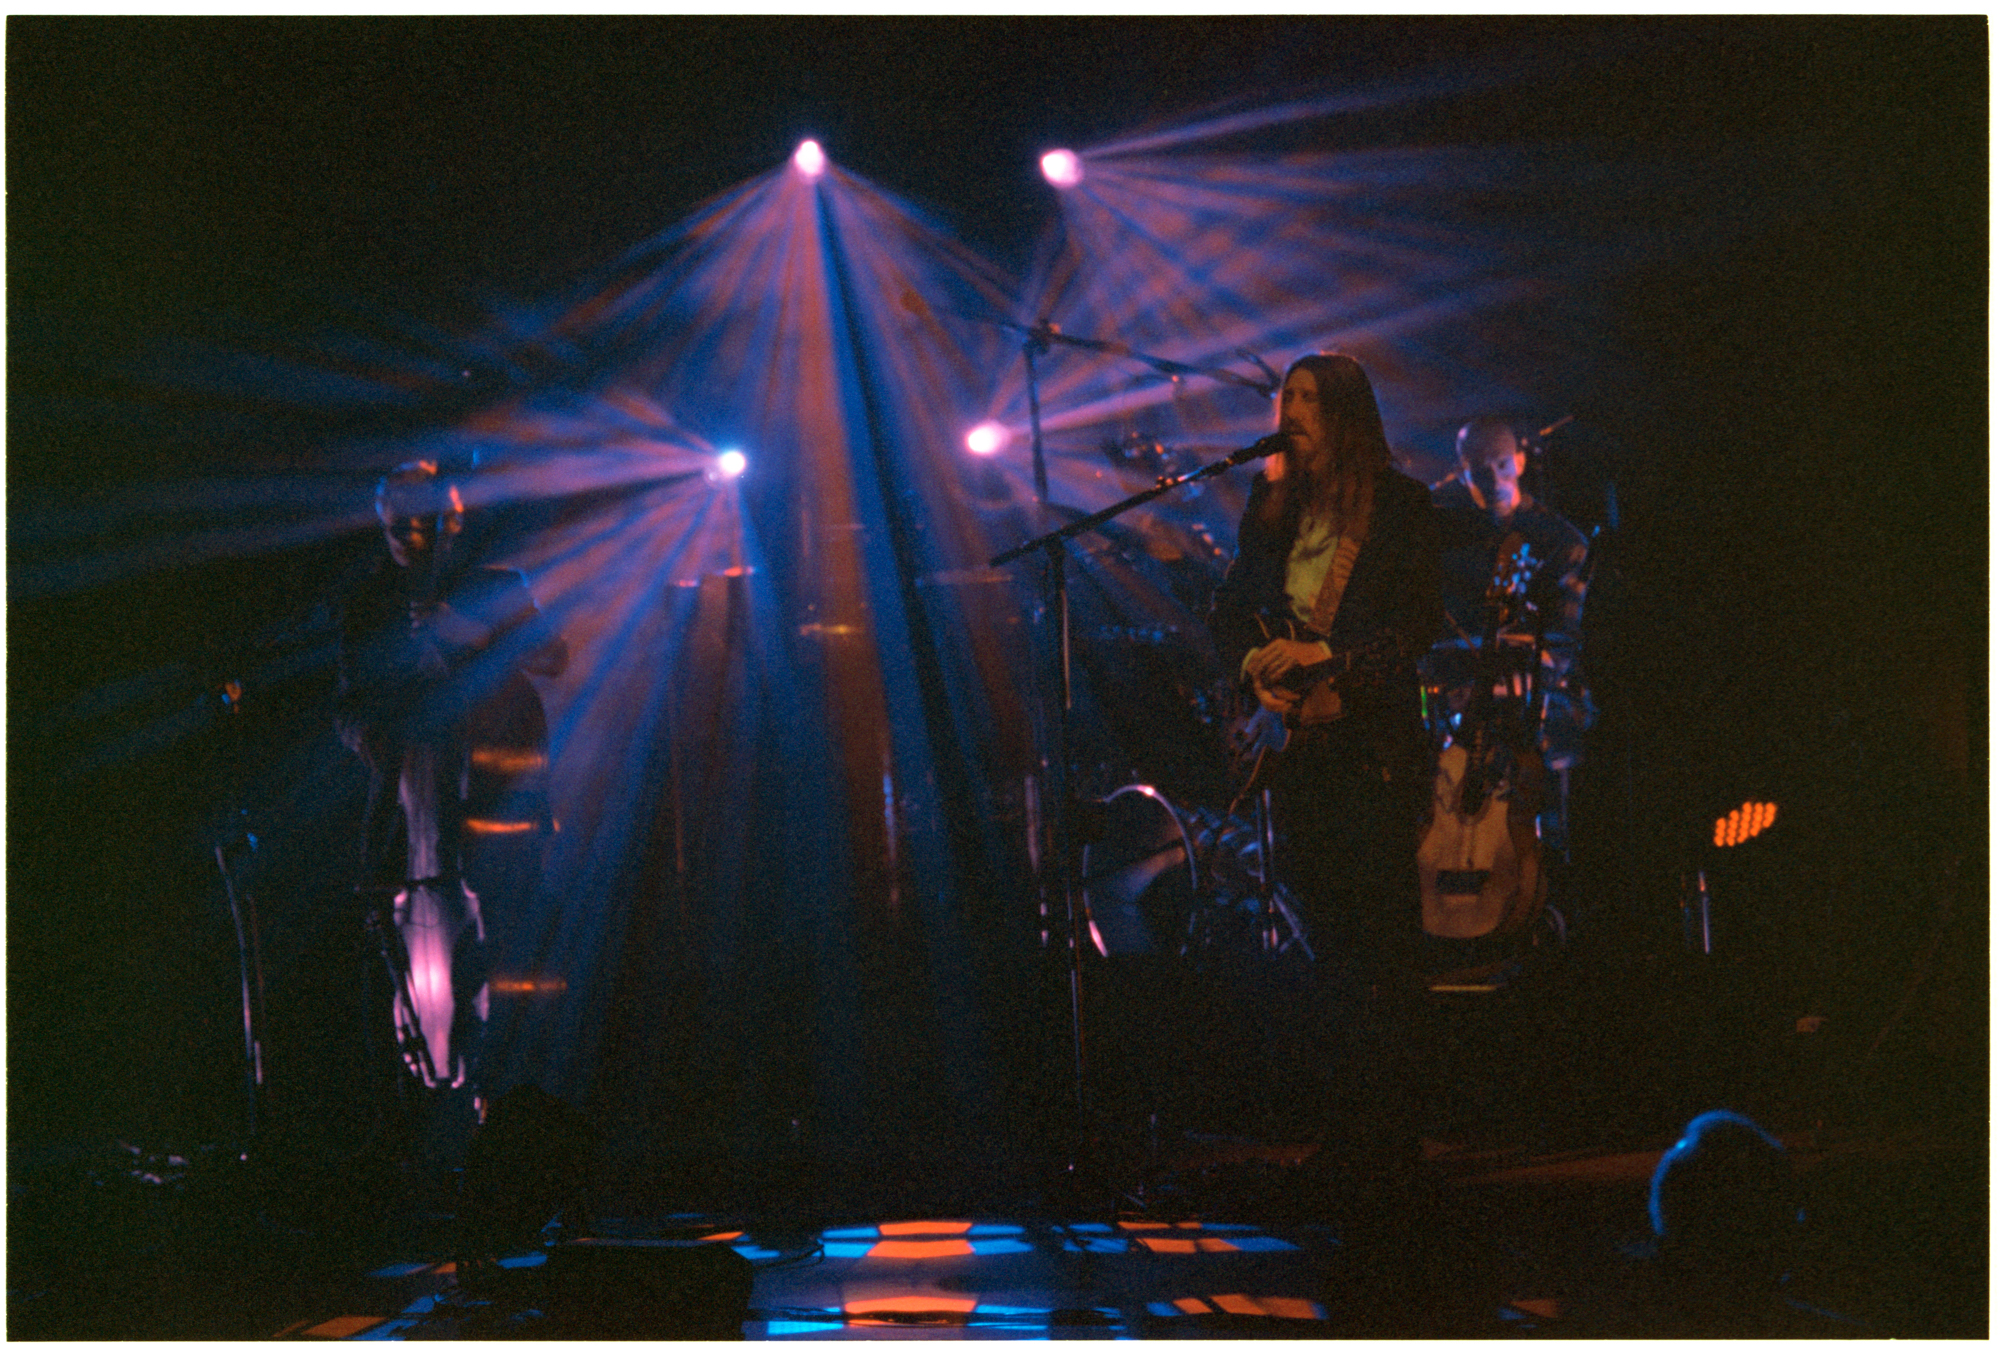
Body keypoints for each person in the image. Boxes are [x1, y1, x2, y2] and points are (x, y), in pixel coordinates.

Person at [1207, 353, 1443, 1203]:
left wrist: (1328, 655)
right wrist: (1252, 662)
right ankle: (1348, 1136)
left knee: (1382, 947)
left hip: (1370, 750)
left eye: (1309, 398)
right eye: (1287, 397)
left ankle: (1394, 1141)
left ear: (1344, 414)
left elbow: (1417, 624)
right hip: (1298, 753)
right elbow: (1231, 604)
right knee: (1328, 951)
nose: (1293, 409)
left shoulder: (1403, 506)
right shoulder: (1269, 509)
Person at [335, 461, 568, 1094]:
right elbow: (348, 706)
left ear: (452, 524)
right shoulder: (370, 603)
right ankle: (433, 1092)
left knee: (517, 957)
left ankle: (518, 1094)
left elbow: (554, 656)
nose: (408, 542)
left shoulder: (497, 585)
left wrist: (471, 634)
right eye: (395, 528)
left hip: (503, 814)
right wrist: (376, 740)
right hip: (419, 823)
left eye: (422, 526)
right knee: (424, 944)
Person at [1429, 417, 1591, 847]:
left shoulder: (1560, 540)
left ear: (1520, 461)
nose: (1494, 479)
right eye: (1480, 470)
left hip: (1540, 704)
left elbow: (1563, 645)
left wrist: (1504, 683)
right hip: (1463, 702)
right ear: (1463, 472)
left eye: (1502, 465)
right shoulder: (1445, 539)